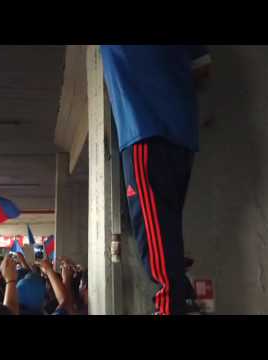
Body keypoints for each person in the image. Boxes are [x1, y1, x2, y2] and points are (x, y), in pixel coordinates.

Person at [100, 45, 212, 315]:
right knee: (165, 227)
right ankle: (179, 297)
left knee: (154, 230)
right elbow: (203, 69)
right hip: (181, 132)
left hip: (144, 131)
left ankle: (170, 304)